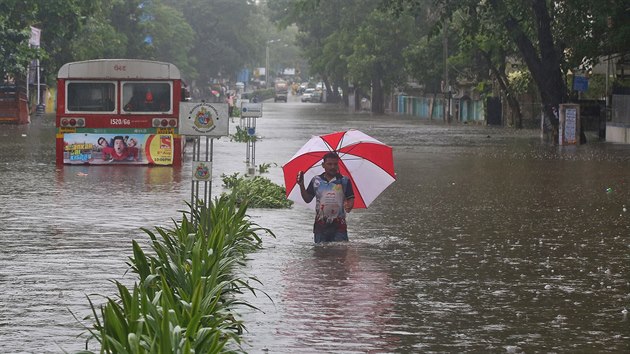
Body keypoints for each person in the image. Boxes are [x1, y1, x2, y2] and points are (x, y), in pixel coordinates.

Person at [297, 152, 355, 243]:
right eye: (329, 164)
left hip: (339, 225)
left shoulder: (344, 180)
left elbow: (351, 197)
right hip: (321, 226)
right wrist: (301, 185)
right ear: (323, 165)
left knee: (340, 253)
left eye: (335, 164)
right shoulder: (316, 180)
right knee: (320, 253)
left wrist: (350, 205)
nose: (332, 167)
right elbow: (307, 199)